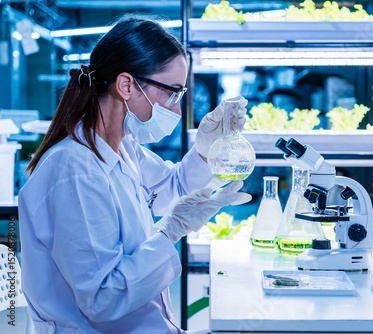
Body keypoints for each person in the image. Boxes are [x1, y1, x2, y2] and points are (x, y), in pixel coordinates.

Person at [18, 16, 251, 334]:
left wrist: (204, 149)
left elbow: (174, 185)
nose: (176, 110)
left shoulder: (122, 147)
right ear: (126, 85)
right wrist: (169, 232)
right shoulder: (75, 171)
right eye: (171, 93)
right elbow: (102, 300)